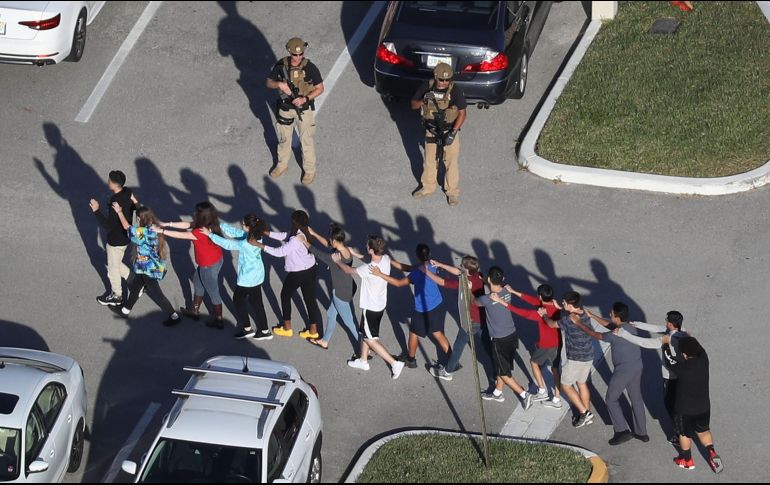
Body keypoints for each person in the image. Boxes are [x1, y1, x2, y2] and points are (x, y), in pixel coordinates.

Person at [572, 303, 649, 445]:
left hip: (623, 370)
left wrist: (578, 323)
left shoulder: (614, 334)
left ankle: (622, 431)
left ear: (617, 317)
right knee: (636, 397)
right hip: (637, 366)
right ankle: (641, 433)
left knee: (611, 399)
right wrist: (593, 316)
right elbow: (610, 325)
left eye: (612, 314)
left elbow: (594, 334)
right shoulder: (630, 327)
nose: (609, 314)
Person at [371, 244, 452, 372]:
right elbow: (407, 267)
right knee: (437, 333)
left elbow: (398, 283)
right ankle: (452, 360)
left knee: (414, 332)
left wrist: (380, 274)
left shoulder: (416, 273)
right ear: (429, 254)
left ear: (417, 256)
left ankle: (411, 359)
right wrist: (389, 261)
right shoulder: (433, 265)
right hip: (437, 304)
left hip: (422, 310)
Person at [614, 310, 689, 444]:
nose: (665, 323)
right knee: (680, 404)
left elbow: (643, 342)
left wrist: (623, 333)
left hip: (670, 378)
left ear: (671, 324)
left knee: (671, 407)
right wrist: (638, 324)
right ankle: (684, 428)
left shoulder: (666, 340)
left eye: (667, 321)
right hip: (683, 376)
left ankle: (679, 435)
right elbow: (656, 328)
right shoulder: (682, 331)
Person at [337, 236, 405, 379]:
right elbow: (369, 260)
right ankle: (363, 360)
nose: (365, 245)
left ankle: (394, 363)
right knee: (365, 333)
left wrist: (337, 261)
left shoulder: (368, 269)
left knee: (370, 339)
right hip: (379, 304)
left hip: (370, 307)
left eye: (367, 245)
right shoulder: (385, 258)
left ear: (371, 249)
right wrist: (355, 254)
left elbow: (349, 270)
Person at [490, 284, 563, 408]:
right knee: (556, 370)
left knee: (534, 363)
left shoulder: (540, 312)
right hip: (558, 342)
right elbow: (532, 300)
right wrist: (514, 291)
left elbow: (521, 312)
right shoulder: (554, 305)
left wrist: (500, 301)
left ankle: (542, 391)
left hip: (546, 345)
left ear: (540, 296)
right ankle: (556, 399)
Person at [201, 215, 271, 340]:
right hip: (258, 275)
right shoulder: (256, 236)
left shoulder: (245, 242)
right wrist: (220, 225)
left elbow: (227, 244)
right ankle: (265, 330)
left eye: (243, 224)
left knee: (238, 301)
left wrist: (210, 234)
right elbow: (236, 233)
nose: (242, 226)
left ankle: (247, 328)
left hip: (247, 278)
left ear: (248, 227)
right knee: (257, 303)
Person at [110, 203, 181, 326]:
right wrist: (134, 200)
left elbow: (127, 228)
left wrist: (119, 212)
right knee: (136, 287)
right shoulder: (154, 227)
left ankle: (174, 316)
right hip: (153, 266)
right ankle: (125, 310)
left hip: (147, 269)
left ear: (139, 219)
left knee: (158, 294)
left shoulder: (142, 232)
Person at [472, 266, 533, 410]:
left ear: (488, 279)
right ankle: (497, 393)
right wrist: (487, 282)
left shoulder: (486, 299)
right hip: (511, 335)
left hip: (499, 339)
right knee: (502, 367)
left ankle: (524, 394)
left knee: (502, 371)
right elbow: (495, 288)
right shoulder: (507, 291)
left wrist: (470, 288)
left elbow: (475, 302)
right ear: (503, 279)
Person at [266, 37, 325, 185]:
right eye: (295, 54)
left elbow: (320, 88)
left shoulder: (310, 67)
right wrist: (280, 84)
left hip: (303, 110)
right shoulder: (281, 65)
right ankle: (282, 164)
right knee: (284, 138)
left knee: (306, 140)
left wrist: (305, 99)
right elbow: (268, 82)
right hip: (285, 108)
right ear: (289, 52)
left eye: (301, 54)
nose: (298, 57)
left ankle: (310, 171)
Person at [254, 210, 321, 339]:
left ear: (295, 223)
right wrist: (266, 233)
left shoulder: (295, 239)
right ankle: (313, 331)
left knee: (285, 295)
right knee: (309, 299)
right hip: (311, 269)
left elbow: (279, 252)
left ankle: (287, 328)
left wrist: (259, 245)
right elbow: (285, 236)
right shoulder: (304, 232)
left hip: (299, 273)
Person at [160, 202, 226, 328]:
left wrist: (162, 230)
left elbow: (182, 234)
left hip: (208, 265)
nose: (194, 213)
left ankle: (218, 320)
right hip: (214, 260)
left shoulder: (200, 232)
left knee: (213, 292)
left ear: (201, 216)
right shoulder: (209, 223)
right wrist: (167, 224)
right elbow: (187, 225)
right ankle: (194, 311)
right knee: (197, 282)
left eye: (196, 212)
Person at [421, 256, 487, 381]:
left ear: (467, 270)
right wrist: (440, 264)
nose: (460, 267)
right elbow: (459, 272)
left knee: (458, 345)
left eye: (462, 265)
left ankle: (447, 371)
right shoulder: (478, 275)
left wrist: (426, 272)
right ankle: (497, 371)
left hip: (470, 320)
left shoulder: (465, 283)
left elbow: (442, 282)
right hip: (482, 316)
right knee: (487, 343)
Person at [410, 62, 467, 206]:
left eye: (447, 80)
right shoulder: (427, 87)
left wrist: (453, 133)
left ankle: (452, 192)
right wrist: (424, 100)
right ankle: (428, 187)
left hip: (449, 130)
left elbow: (462, 113)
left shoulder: (455, 90)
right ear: (435, 77)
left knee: (451, 162)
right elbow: (413, 105)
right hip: (431, 130)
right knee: (430, 160)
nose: (444, 82)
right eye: (441, 79)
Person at [664, 336, 723, 473]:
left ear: (684, 354)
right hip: (703, 407)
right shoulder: (704, 359)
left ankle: (686, 459)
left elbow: (669, 361)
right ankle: (711, 451)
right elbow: (698, 347)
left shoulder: (682, 368)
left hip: (685, 410)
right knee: (703, 431)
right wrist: (690, 338)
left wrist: (665, 345)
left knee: (684, 434)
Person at [539, 291, 595, 427]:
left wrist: (544, 314)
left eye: (564, 302)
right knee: (582, 383)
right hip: (588, 355)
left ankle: (584, 413)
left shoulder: (569, 320)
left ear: (570, 305)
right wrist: (561, 308)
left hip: (576, 358)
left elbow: (552, 324)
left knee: (565, 385)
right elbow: (567, 315)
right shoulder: (585, 313)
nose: (562, 303)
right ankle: (585, 413)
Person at [300, 224, 359, 352]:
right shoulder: (346, 250)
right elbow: (327, 244)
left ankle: (364, 348)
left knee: (350, 322)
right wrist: (314, 234)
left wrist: (304, 241)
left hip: (340, 293)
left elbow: (318, 253)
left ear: (336, 241)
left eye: (331, 240)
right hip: (348, 288)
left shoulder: (334, 258)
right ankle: (324, 341)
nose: (330, 242)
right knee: (331, 313)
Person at [89, 170, 138, 306]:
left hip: (115, 240)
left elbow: (108, 225)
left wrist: (96, 210)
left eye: (109, 180)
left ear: (114, 184)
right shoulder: (127, 191)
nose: (108, 182)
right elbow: (135, 205)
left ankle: (117, 295)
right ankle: (136, 282)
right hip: (126, 236)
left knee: (112, 269)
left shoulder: (115, 202)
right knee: (115, 263)